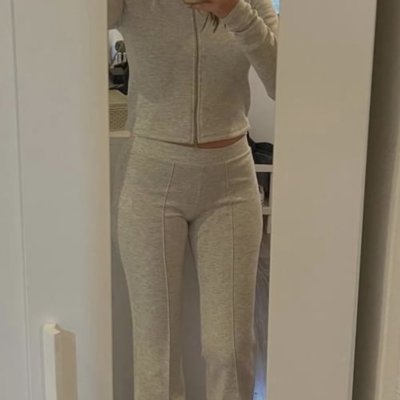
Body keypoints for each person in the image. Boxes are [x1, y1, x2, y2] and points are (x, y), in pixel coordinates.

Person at [108, 0, 278, 399]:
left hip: (230, 179)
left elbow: (284, 81)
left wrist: (233, 10)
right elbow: (76, 25)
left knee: (230, 349)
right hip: (150, 179)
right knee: (157, 351)